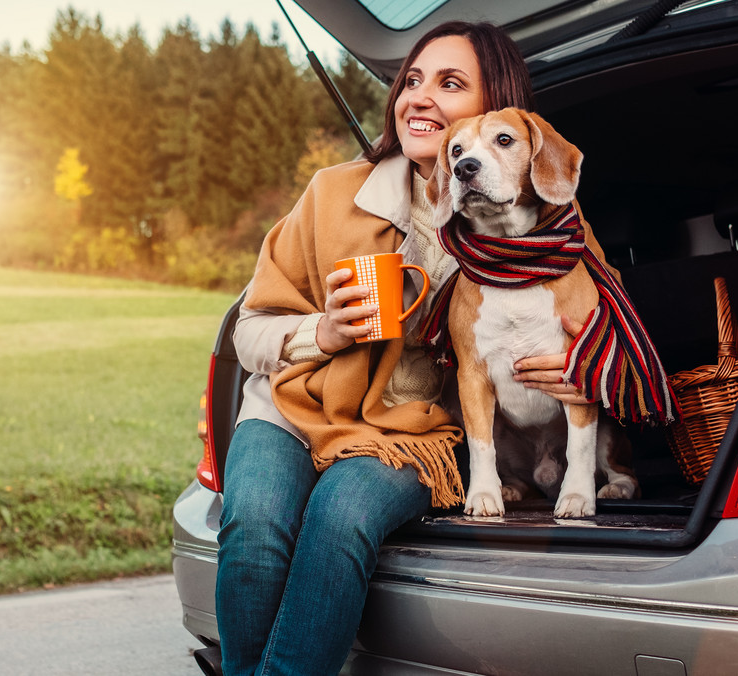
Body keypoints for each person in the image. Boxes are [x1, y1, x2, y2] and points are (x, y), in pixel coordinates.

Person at [212, 21, 584, 676]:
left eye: (449, 83)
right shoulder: (332, 193)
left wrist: (577, 368)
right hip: (290, 410)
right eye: (411, 80)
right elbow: (248, 328)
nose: (417, 97)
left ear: (493, 107)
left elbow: (590, 326)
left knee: (340, 516)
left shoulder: (525, 226)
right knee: (255, 533)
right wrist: (321, 331)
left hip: (415, 430)